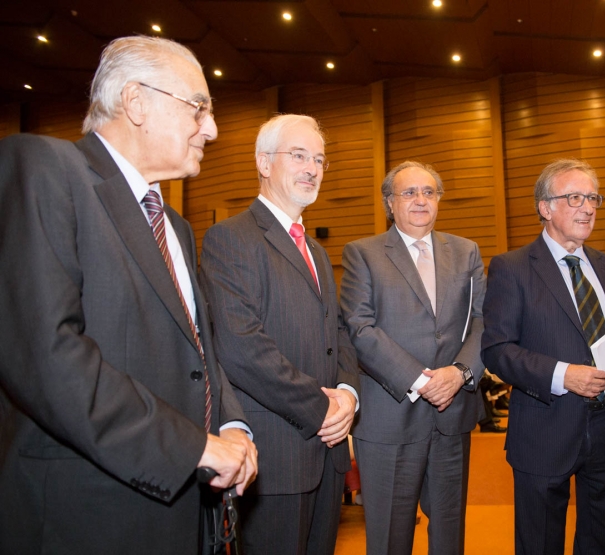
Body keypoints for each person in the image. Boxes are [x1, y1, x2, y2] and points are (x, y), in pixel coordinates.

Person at [0, 36, 257, 554]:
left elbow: (199, 352)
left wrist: (232, 426)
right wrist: (192, 447)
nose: (211, 128)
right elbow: (46, 356)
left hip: (182, 514)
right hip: (88, 516)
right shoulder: (45, 167)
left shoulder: (176, 227)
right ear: (136, 102)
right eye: (198, 107)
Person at [200, 114, 360, 555]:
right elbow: (241, 347)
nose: (313, 168)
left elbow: (338, 331)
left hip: (328, 457)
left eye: (320, 160)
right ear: (264, 162)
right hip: (277, 459)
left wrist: (349, 393)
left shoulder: (318, 252)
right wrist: (323, 409)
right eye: (299, 155)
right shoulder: (229, 238)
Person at [481, 158, 605, 555]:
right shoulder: (512, 268)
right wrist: (562, 375)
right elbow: (497, 350)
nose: (588, 208)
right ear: (545, 207)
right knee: (540, 543)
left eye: (592, 198)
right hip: (545, 427)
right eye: (574, 198)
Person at [340, 161, 486, 555]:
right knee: (390, 538)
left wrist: (459, 373)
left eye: (429, 192)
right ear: (390, 203)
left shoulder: (466, 251)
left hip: (452, 417)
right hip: (388, 420)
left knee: (450, 538)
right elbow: (359, 328)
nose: (420, 200)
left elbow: (483, 321)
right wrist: (422, 381)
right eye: (409, 192)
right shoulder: (363, 254)